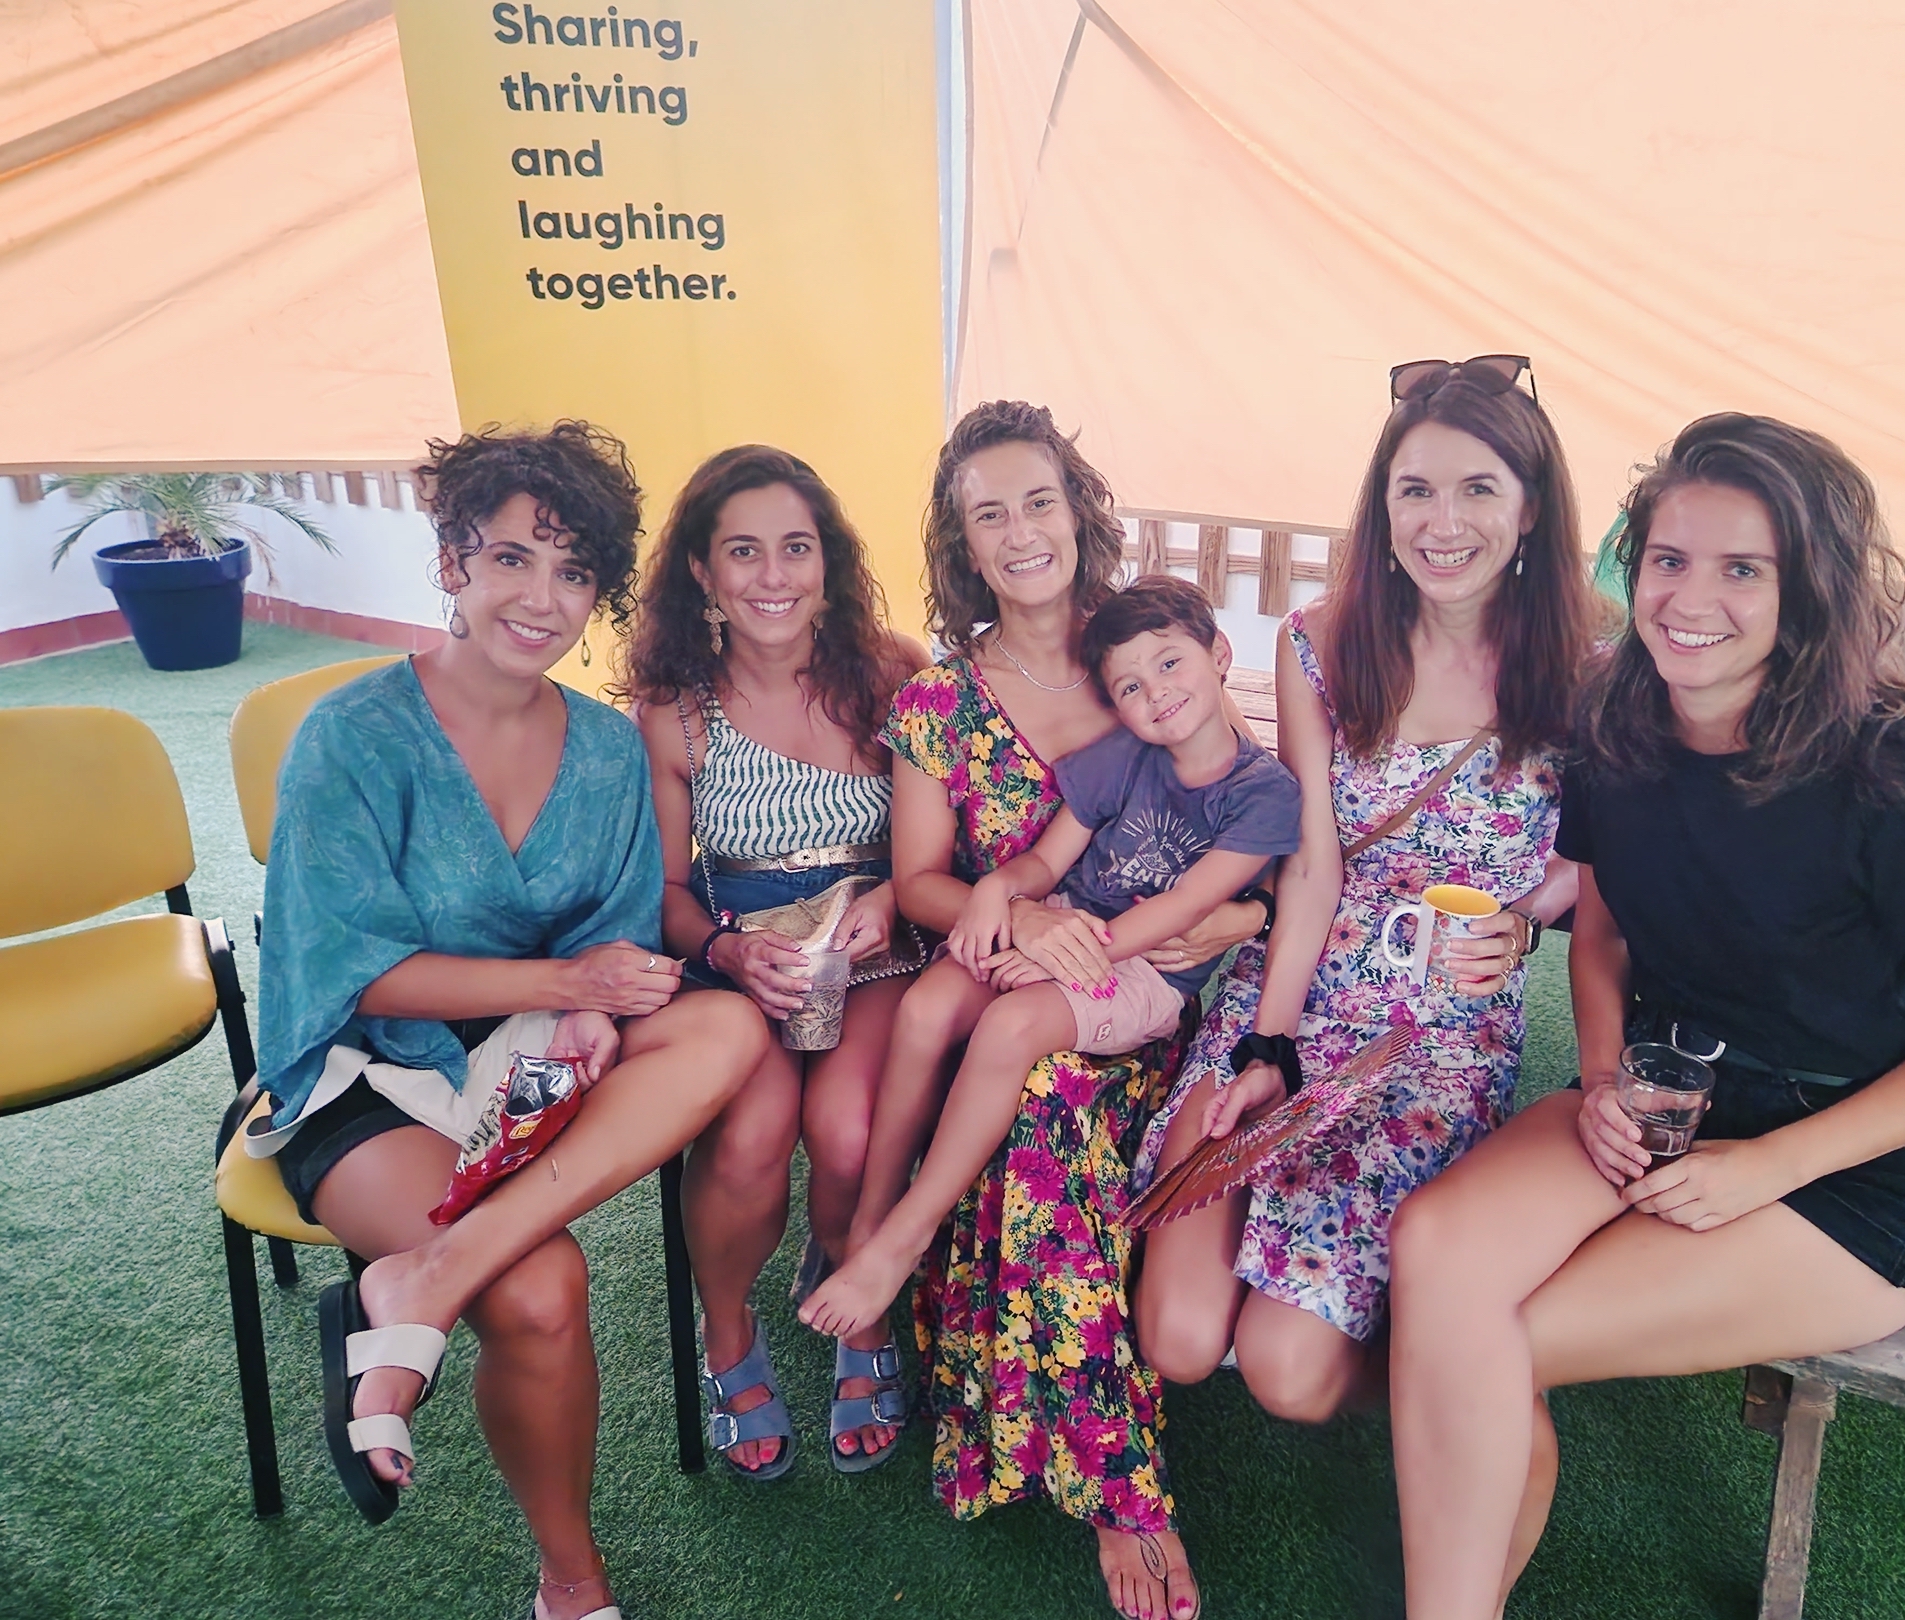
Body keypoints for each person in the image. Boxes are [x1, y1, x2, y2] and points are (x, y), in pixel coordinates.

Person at [1386, 413, 1905, 1618]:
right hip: (1657, 1096)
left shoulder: (1900, 784)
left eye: (1744, 569)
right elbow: (1606, 929)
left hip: (1846, 1171)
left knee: (1492, 1342)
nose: (1691, 598)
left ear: (1814, 587)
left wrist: (1767, 1168)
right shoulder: (1613, 728)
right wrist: (1593, 1078)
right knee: (1434, 1257)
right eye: (1671, 559)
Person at [254, 423, 769, 1620]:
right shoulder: (353, 735)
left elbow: (625, 940)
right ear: (451, 562)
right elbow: (353, 975)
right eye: (511, 560)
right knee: (540, 1293)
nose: (542, 600)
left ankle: (425, 1277)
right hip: (363, 1077)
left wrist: (601, 1010)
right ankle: (572, 1587)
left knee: (730, 1031)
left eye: (574, 571)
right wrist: (567, 990)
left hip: (527, 1066)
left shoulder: (602, 748)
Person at [1133, 356, 1593, 1424]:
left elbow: (1592, 865)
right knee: (1182, 1341)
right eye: (1415, 489)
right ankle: (1313, 1260)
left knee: (1290, 1376)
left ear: (1530, 510)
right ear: (1382, 507)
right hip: (1296, 985)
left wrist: (1524, 923)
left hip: (1436, 1029)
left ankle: (1391, 1309)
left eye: (1479, 489)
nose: (1444, 521)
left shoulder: (1586, 670)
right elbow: (1316, 864)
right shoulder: (1320, 643)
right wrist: (1267, 1045)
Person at [875, 400, 1264, 1620]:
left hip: (1160, 1012)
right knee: (1041, 1100)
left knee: (1044, 1092)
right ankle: (1124, 1496)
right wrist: (1025, 915)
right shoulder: (941, 704)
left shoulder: (1144, 649)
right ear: (963, 545)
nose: (1022, 531)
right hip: (1027, 997)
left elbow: (1253, 828)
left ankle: (1075, 1457)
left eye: (1038, 500)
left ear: (1077, 509)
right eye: (989, 515)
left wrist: (1233, 926)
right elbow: (919, 883)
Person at [803, 576, 1301, 1340]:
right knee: (930, 1004)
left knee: (1008, 1028)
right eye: (1131, 685)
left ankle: (904, 1238)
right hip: (1070, 925)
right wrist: (1001, 891)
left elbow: (1181, 910)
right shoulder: (1123, 755)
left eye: (1171, 665)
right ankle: (868, 1221)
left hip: (1146, 968)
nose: (1157, 694)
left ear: (1220, 654)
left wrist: (1060, 962)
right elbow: (1049, 860)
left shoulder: (1263, 793)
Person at [629, 444, 928, 1478]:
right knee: (754, 1140)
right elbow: (664, 894)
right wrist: (727, 951)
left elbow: (959, 841)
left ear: (830, 562)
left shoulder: (894, 674)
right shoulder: (674, 710)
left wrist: (891, 898)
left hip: (878, 946)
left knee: (844, 1131)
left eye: (796, 548)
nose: (773, 576)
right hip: (739, 963)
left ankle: (857, 1301)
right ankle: (728, 1336)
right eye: (743, 552)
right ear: (703, 576)